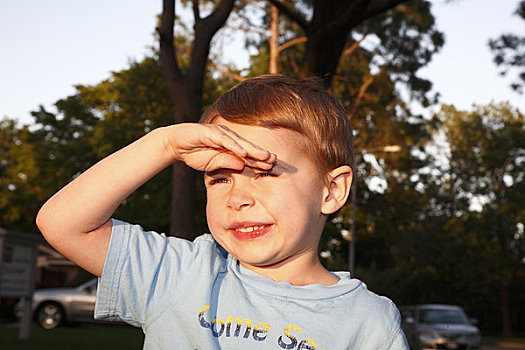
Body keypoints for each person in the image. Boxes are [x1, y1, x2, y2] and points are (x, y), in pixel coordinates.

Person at [36, 74, 408, 349]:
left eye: (263, 174)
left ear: (332, 190)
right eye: (219, 179)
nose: (237, 198)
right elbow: (62, 223)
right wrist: (164, 144)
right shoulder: (178, 274)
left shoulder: (369, 323)